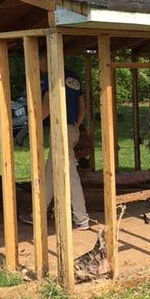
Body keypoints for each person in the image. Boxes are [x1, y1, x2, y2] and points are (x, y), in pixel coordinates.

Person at [20, 50, 90, 230]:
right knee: (50, 172)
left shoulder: (52, 77)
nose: (38, 66)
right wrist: (75, 125)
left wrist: (30, 125)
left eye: (38, 61)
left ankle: (82, 219)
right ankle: (38, 214)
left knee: (71, 174)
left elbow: (47, 106)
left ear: (45, 59)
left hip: (61, 131)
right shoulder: (72, 77)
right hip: (72, 128)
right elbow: (82, 106)